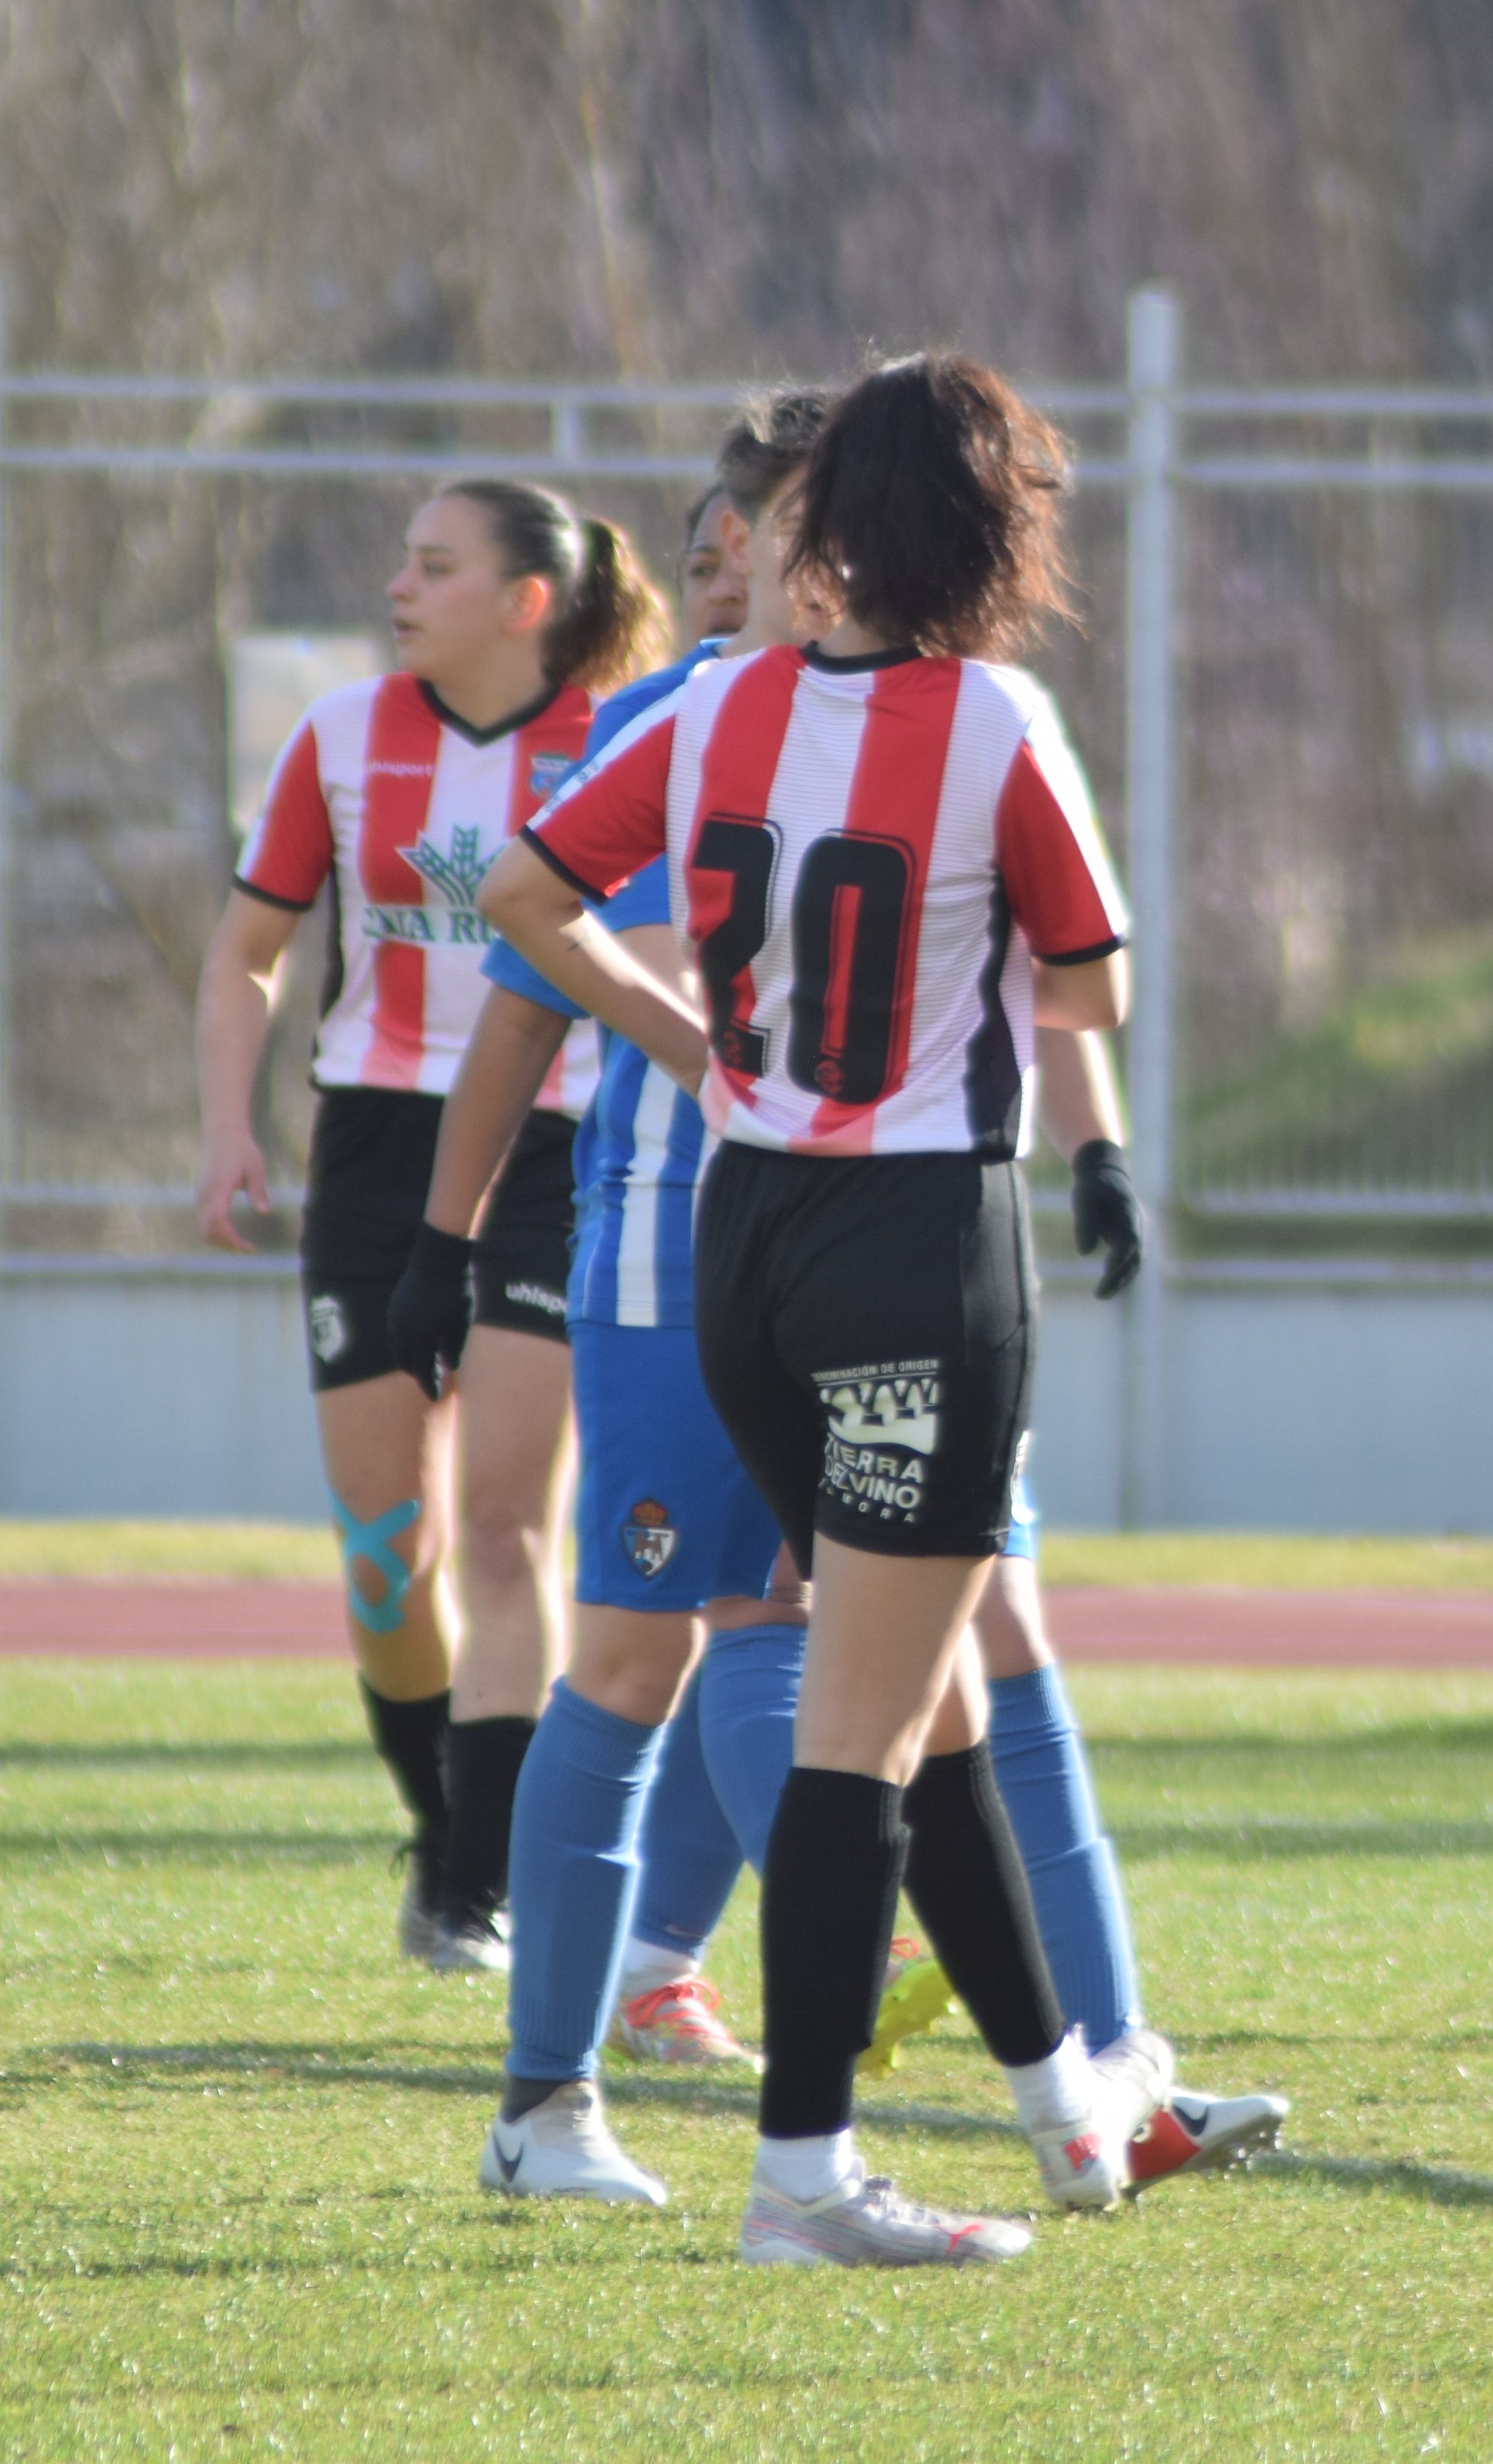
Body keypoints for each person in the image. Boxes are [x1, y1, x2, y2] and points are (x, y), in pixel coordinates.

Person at [440, 403, 1280, 2208]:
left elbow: (521, 896)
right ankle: (806, 2170)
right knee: (859, 1712)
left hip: (743, 1229)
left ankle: (1070, 2099)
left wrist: (715, 1033)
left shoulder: (716, 708)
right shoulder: (989, 716)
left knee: (937, 1691)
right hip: (910, 1238)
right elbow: (1092, 979)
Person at [194, 480, 666, 1971]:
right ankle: (438, 1819)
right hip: (380, 1149)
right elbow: (248, 953)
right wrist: (228, 1128)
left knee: (512, 1521)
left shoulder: (612, 741)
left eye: (435, 564)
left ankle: (478, 1884)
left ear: (529, 600)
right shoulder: (337, 738)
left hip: (554, 1141)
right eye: (400, 556)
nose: (399, 583)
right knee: (390, 1553)